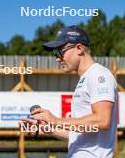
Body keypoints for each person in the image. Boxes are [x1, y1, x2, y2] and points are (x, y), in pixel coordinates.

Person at [21, 26, 118, 158]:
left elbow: (102, 120)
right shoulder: (87, 78)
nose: (57, 58)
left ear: (79, 49)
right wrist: (47, 128)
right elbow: (79, 135)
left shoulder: (98, 75)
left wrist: (55, 120)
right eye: (55, 53)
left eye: (60, 51)